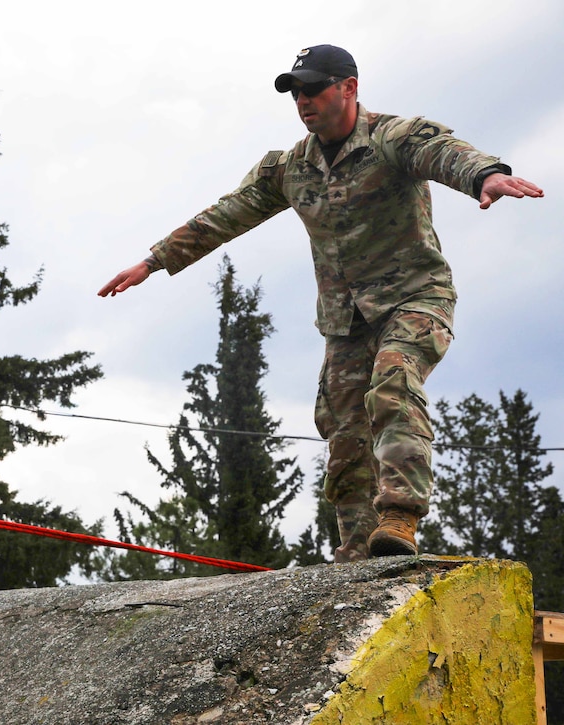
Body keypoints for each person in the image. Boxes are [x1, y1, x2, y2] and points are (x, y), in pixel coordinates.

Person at [98, 45, 544, 563]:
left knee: (393, 381)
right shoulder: (291, 167)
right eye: (296, 93)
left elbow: (442, 151)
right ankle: (357, 552)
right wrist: (153, 261)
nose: (303, 101)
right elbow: (228, 213)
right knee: (343, 429)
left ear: (349, 87)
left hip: (415, 298)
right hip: (345, 320)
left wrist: (483, 175)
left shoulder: (391, 138)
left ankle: (400, 514)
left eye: (313, 89)